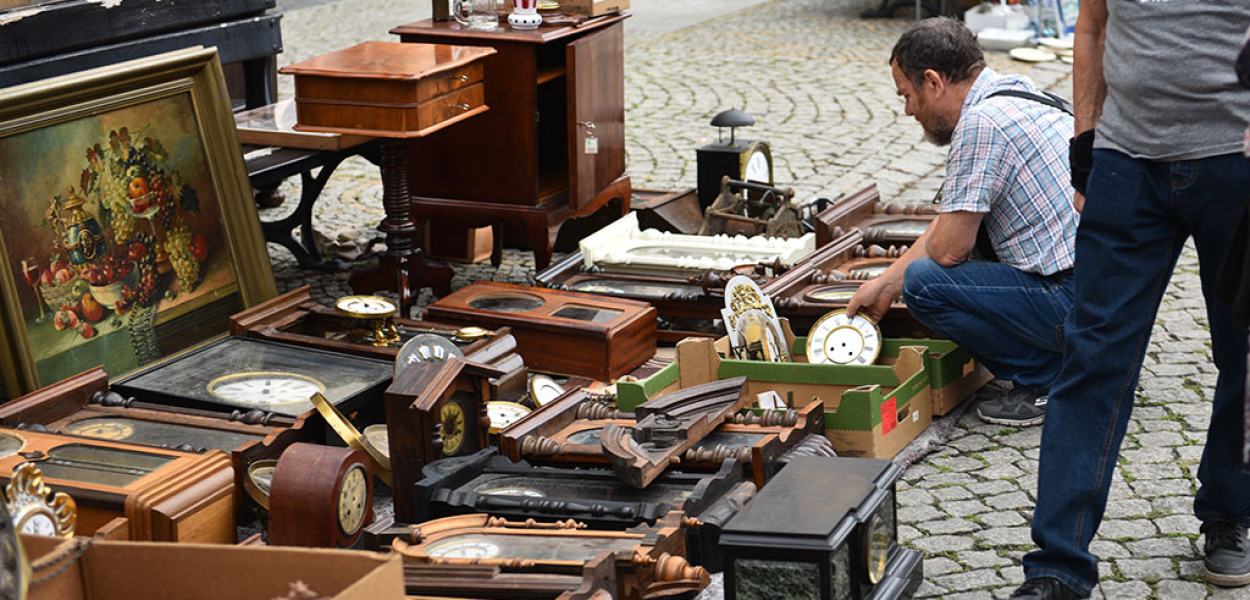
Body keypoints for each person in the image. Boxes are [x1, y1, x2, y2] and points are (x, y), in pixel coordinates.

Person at [1009, 0, 1250, 598]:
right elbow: (1092, 25)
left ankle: (1229, 510)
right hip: (1125, 163)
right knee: (1092, 358)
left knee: (1244, 354)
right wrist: (1085, 143)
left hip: (1236, 163)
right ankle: (1058, 565)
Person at [847, 18, 1079, 427]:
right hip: (1108, 298)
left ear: (933, 81)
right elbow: (953, 221)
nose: (908, 110)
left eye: (907, 95)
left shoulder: (981, 124)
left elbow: (949, 248)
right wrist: (883, 285)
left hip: (1071, 302)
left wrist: (899, 281)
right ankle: (1088, 362)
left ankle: (1049, 379)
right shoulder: (1021, 93)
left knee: (924, 284)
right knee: (940, 260)